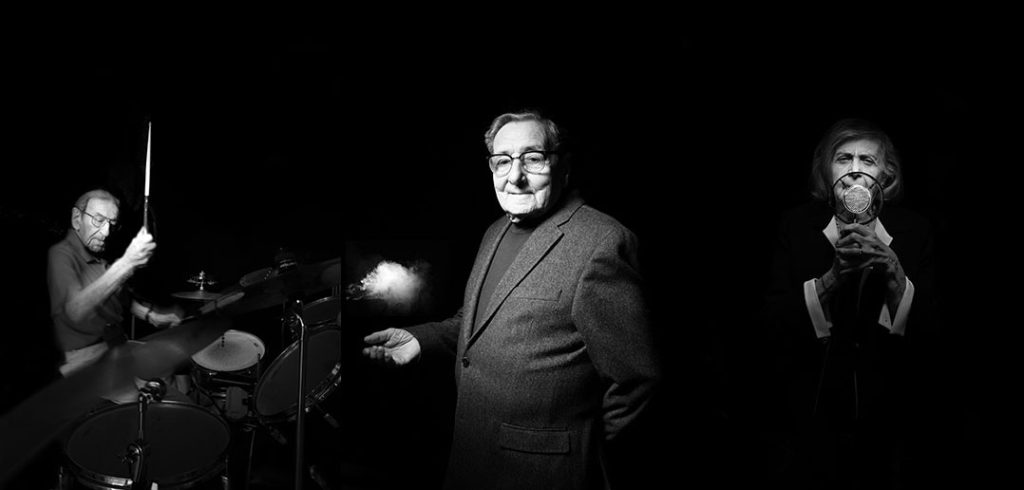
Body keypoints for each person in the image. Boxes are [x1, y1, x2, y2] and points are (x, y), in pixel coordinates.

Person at [362, 111, 661, 489]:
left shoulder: (602, 243)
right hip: (470, 460)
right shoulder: (495, 231)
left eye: (532, 159)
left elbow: (637, 380)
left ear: (563, 166)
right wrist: (420, 340)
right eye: (502, 161)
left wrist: (580, 454)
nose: (514, 176)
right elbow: (477, 322)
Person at [762, 119, 938, 488]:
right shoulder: (795, 227)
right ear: (827, 170)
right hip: (808, 418)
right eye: (844, 158)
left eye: (867, 161)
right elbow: (771, 325)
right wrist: (830, 280)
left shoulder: (915, 231)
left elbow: (936, 334)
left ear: (886, 175)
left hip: (890, 421)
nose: (855, 171)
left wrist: (893, 273)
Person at [47, 188, 186, 401]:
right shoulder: (60, 255)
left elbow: (119, 297)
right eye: (98, 220)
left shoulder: (98, 258)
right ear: (77, 218)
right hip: (83, 357)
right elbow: (75, 311)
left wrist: (153, 316)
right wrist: (127, 263)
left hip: (114, 346)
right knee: (135, 403)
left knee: (165, 363)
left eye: (111, 224)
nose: (106, 232)